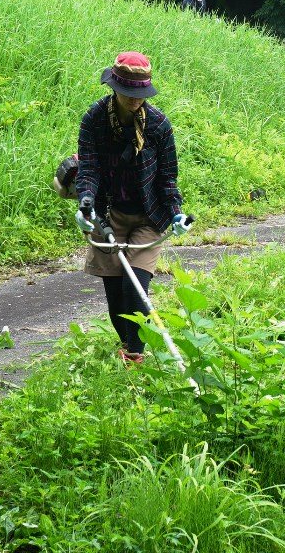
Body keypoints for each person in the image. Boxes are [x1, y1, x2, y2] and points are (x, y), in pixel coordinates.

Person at [74, 52, 190, 363]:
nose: (136, 101)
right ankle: (128, 348)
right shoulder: (94, 120)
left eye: (141, 95)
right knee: (115, 299)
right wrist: (86, 206)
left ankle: (136, 359)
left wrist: (176, 212)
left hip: (148, 217)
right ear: (114, 88)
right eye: (129, 94)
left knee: (135, 289)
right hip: (108, 215)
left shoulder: (158, 125)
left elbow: (168, 178)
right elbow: (89, 170)